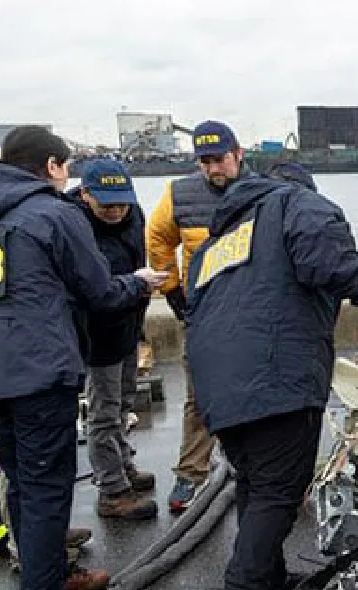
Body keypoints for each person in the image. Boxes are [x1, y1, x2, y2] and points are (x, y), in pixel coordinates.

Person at [0, 126, 167, 590]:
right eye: (64, 166)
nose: (65, 176)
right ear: (51, 165)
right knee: (47, 489)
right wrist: (137, 283)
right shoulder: (52, 213)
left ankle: (45, 579)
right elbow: (101, 293)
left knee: (22, 485)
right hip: (37, 373)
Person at [183, 160, 358, 590]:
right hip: (274, 372)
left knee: (254, 485)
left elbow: (194, 306)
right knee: (277, 494)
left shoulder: (218, 241)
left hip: (216, 381)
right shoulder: (297, 202)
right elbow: (329, 263)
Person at [145, 120, 247, 513]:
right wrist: (173, 291)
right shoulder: (179, 195)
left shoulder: (265, 193)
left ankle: (257, 469)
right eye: (205, 162)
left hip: (251, 312)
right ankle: (192, 473)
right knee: (200, 395)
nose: (213, 169)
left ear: (238, 154)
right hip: (204, 314)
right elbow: (157, 238)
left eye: (220, 159)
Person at [69, 159, 157, 520]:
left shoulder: (134, 216)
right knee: (103, 412)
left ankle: (123, 464)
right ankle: (112, 489)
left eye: (122, 203)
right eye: (107, 205)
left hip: (128, 321)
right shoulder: (72, 225)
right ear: (86, 195)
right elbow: (93, 288)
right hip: (98, 332)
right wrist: (135, 284)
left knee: (123, 402)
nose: (117, 211)